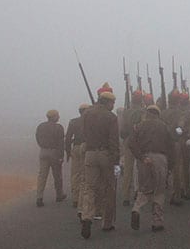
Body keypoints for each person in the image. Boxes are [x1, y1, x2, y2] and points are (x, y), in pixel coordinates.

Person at [80, 83, 120, 239]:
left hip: (89, 153)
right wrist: (116, 162)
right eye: (112, 103)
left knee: (89, 188)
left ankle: (86, 217)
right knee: (109, 188)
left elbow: (83, 133)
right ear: (108, 102)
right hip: (105, 155)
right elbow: (113, 142)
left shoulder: (87, 114)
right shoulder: (111, 117)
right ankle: (107, 223)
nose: (113, 106)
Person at [128, 104, 175, 231]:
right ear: (158, 114)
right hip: (160, 159)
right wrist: (170, 166)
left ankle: (137, 208)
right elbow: (171, 147)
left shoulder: (138, 126)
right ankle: (157, 222)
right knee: (159, 190)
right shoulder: (164, 127)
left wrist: (141, 157)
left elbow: (130, 143)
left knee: (144, 188)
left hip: (144, 159)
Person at [35, 110, 66, 207]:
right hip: (54, 152)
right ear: (54, 117)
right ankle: (59, 194)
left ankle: (39, 197)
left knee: (42, 176)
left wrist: (42, 146)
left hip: (43, 151)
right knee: (57, 175)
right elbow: (61, 143)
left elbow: (37, 137)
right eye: (57, 116)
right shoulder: (59, 127)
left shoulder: (40, 126)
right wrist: (61, 156)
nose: (59, 117)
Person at [65, 103, 90, 209]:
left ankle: (75, 199)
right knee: (86, 174)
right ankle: (84, 198)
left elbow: (68, 137)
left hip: (75, 148)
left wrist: (68, 151)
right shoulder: (90, 122)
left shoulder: (73, 121)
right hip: (87, 148)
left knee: (75, 174)